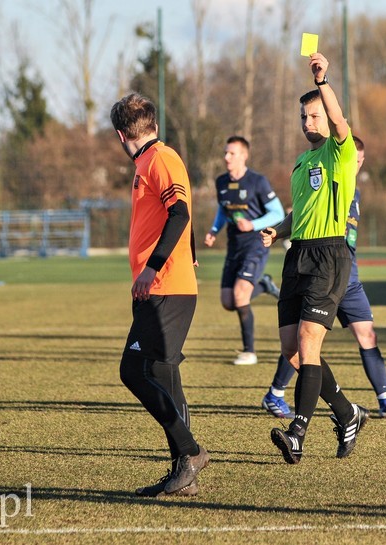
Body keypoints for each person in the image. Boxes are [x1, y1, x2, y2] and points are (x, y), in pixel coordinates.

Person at [260, 52, 369, 464]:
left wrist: (323, 81)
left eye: (314, 116)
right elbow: (298, 213)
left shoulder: (338, 152)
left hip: (330, 255)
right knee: (293, 350)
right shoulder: (301, 162)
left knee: (308, 342)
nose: (309, 123)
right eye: (304, 117)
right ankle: (348, 413)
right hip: (298, 255)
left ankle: (298, 433)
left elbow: (341, 122)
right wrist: (278, 230)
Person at [262, 136, 386, 419]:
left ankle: (384, 398)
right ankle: (276, 392)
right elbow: (302, 210)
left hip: (350, 275)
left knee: (366, 334)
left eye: (359, 161)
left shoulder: (355, 191)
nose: (355, 165)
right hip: (326, 271)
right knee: (303, 339)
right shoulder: (330, 179)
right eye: (351, 159)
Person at [110, 93, 209, 497]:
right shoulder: (149, 162)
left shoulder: (161, 159)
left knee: (135, 371)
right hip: (161, 288)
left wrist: (153, 267)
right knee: (165, 376)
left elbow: (181, 213)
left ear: (121, 135)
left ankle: (191, 451)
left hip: (166, 287)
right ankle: (182, 474)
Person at [204, 136, 285, 365]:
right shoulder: (221, 182)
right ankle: (265, 285)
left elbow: (278, 213)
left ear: (244, 155)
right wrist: (214, 230)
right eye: (225, 153)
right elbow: (223, 210)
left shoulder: (258, 181)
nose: (226, 157)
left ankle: (249, 351)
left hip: (255, 244)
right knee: (228, 301)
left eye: (232, 153)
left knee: (240, 295)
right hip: (234, 246)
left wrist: (253, 224)